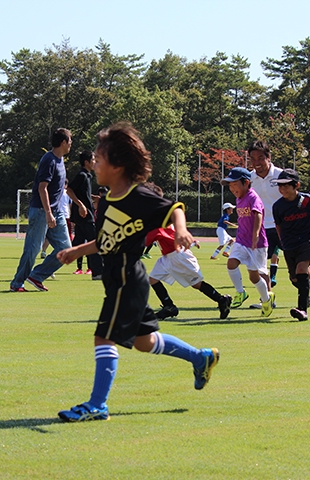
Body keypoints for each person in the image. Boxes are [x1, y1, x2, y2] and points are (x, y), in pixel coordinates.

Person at [55, 122, 219, 422]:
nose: (95, 165)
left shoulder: (138, 195)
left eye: (99, 160)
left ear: (117, 165)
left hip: (127, 279)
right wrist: (78, 251)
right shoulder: (107, 201)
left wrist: (181, 230)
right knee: (146, 342)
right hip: (119, 279)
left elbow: (174, 208)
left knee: (104, 337)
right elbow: (106, 241)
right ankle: (200, 357)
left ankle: (97, 404)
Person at [144, 181, 232, 320]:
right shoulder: (160, 215)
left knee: (196, 284)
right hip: (168, 256)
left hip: (179, 256)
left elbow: (146, 240)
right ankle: (169, 306)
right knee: (153, 279)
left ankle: (222, 300)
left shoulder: (158, 219)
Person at [10, 128, 73, 292]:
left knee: (66, 249)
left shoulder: (60, 160)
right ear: (63, 142)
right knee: (33, 249)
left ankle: (36, 276)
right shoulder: (49, 160)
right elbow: (42, 188)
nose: (71, 144)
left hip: (57, 212)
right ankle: (17, 283)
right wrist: (48, 213)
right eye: (70, 141)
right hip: (41, 211)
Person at [272, 169, 310, 322]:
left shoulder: (307, 200)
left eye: (286, 185)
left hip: (307, 240)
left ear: (296, 185)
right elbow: (278, 225)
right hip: (289, 244)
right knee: (295, 279)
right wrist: (282, 241)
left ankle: (302, 310)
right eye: (280, 186)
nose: (282, 189)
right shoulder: (277, 206)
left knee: (301, 269)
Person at [220, 167, 275, 317]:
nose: (232, 189)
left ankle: (266, 300)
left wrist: (256, 234)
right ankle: (240, 292)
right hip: (241, 240)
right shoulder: (239, 198)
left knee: (254, 276)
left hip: (257, 244)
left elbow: (258, 215)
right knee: (231, 263)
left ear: (246, 182)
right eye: (230, 186)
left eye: (235, 185)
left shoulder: (253, 197)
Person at [248, 140, 283, 295]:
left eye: (260, 158)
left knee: (296, 264)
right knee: (259, 266)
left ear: (269, 157)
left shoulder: (281, 175)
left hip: (283, 226)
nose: (256, 162)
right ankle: (267, 299)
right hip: (261, 228)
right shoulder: (249, 179)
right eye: (253, 159)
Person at [67, 150, 103, 280]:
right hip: (85, 216)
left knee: (77, 244)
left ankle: (52, 264)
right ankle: (98, 273)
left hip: (84, 215)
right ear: (86, 162)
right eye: (93, 159)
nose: (95, 162)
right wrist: (81, 205)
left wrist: (93, 197)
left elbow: (82, 193)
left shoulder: (87, 176)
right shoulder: (82, 175)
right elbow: (69, 190)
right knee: (94, 242)